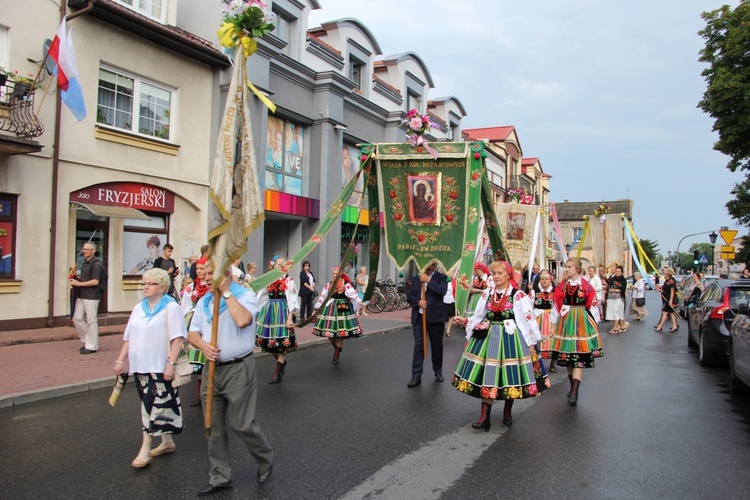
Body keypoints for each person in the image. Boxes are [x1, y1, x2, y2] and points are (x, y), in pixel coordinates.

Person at [187, 261, 274, 494]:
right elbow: (192, 332)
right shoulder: (204, 301)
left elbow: (243, 320)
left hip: (238, 369)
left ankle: (265, 458)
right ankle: (220, 477)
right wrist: (203, 345)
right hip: (212, 370)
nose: (204, 279)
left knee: (241, 424)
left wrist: (226, 292)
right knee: (211, 425)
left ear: (225, 274)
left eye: (209, 274)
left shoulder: (244, 295)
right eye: (202, 274)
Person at [452, 261, 547, 430]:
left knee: (509, 374)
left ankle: (507, 411)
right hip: (489, 338)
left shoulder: (518, 295)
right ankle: (484, 417)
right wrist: (466, 321)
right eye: (494, 273)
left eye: (500, 273)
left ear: (508, 275)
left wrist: (531, 343)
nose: (496, 276)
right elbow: (479, 315)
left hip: (511, 339)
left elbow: (528, 320)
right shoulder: (488, 293)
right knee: (489, 373)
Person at [114, 268, 186, 468]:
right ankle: (167, 442)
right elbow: (129, 337)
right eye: (144, 283)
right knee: (155, 406)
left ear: (162, 287)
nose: (145, 286)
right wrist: (121, 360)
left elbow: (178, 338)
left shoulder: (171, 308)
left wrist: (170, 364)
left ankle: (145, 449)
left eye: (151, 283)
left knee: (148, 406)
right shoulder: (139, 308)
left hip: (160, 366)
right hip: (140, 367)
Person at [550, 257, 603, 405]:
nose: (566, 269)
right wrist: (553, 323)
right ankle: (572, 386)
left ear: (577, 269)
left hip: (580, 320)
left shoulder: (586, 286)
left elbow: (592, 304)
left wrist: (594, 323)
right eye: (566, 267)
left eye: (569, 267)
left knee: (578, 356)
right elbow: (556, 304)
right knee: (568, 357)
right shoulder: (562, 286)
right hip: (566, 322)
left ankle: (574, 391)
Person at [256, 257, 298, 383]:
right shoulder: (268, 279)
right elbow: (260, 295)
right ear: (273, 266)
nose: (281, 266)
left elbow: (292, 299)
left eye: (283, 264)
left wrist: (290, 317)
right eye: (279, 264)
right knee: (269, 341)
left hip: (282, 311)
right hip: (269, 311)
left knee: (282, 341)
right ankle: (281, 363)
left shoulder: (289, 280)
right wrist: (258, 312)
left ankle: (278, 370)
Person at [406, 261, 448, 387]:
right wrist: (418, 302)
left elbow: (442, 291)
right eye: (428, 265)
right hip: (419, 317)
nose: (430, 267)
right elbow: (410, 296)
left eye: (433, 265)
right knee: (418, 346)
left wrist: (429, 281)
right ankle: (416, 376)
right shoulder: (416, 278)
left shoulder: (441, 277)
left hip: (436, 317)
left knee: (436, 346)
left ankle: (438, 371)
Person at [312, 266, 363, 363]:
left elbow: (353, 294)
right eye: (333, 274)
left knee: (340, 332)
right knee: (329, 332)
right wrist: (316, 309)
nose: (334, 275)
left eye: (336, 273)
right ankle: (337, 348)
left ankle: (336, 354)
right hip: (330, 308)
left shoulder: (346, 284)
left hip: (342, 308)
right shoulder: (328, 285)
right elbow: (322, 297)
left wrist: (359, 301)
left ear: (341, 273)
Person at [181, 257, 210, 407]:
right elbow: (184, 307)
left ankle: (210, 390)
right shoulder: (191, 288)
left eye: (202, 268)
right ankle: (200, 391)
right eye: (197, 269)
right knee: (196, 357)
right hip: (194, 322)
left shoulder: (212, 286)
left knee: (208, 355)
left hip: (208, 322)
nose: (199, 271)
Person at [71, 241, 104, 354]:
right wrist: (75, 278)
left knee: (91, 321)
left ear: (93, 251)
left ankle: (92, 346)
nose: (84, 251)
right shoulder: (85, 262)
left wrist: (78, 284)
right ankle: (87, 341)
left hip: (92, 296)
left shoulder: (96, 264)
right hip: (82, 294)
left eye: (87, 249)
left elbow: (95, 281)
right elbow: (85, 278)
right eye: (83, 249)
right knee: (77, 318)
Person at [533, 269, 557, 372]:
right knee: (536, 341)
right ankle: (536, 364)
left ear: (550, 280)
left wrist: (555, 320)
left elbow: (556, 307)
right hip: (538, 317)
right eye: (542, 279)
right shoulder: (534, 292)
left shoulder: (555, 292)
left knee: (552, 341)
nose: (544, 281)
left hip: (551, 317)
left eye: (547, 279)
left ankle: (552, 363)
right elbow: (529, 306)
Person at [655, 268, 679, 333]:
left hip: (669, 299)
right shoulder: (667, 280)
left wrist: (671, 300)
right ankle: (674, 326)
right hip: (666, 298)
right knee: (670, 312)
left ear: (668, 273)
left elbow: (672, 291)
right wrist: (660, 289)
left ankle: (660, 326)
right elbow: (665, 289)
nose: (664, 274)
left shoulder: (671, 280)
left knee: (665, 312)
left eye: (665, 273)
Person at [606, 265, 628, 333]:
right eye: (616, 271)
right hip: (611, 298)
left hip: (618, 298)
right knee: (616, 312)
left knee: (617, 312)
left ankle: (615, 327)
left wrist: (615, 290)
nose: (617, 272)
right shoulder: (613, 278)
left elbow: (623, 289)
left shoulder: (623, 280)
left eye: (618, 271)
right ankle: (622, 326)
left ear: (622, 272)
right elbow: (609, 284)